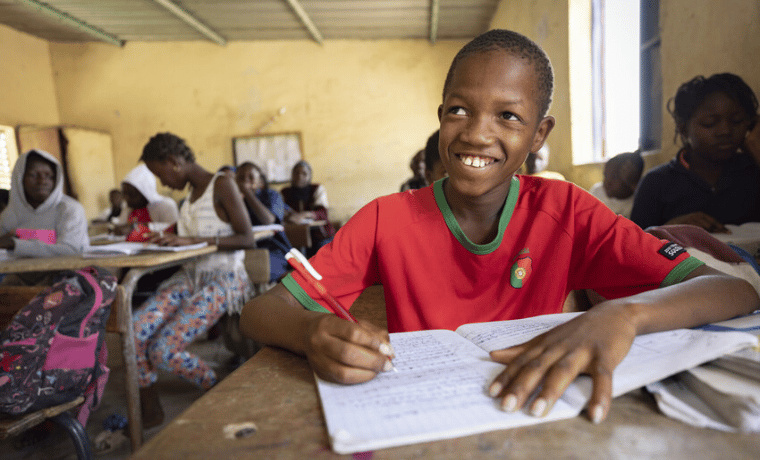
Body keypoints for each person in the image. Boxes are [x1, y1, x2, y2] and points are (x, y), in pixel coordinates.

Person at [238, 29, 759, 425]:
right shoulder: (385, 219)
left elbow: (730, 291)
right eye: (459, 110)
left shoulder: (568, 212)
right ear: (441, 116)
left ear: (539, 134)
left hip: (531, 409)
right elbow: (259, 313)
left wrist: (625, 315)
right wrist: (310, 332)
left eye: (508, 116)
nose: (477, 134)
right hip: (422, 415)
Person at [132, 132, 255, 427]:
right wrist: (170, 238)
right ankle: (151, 406)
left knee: (162, 350)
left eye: (160, 174)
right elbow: (188, 239)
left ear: (173, 162)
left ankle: (216, 388)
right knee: (134, 331)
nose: (162, 184)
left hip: (225, 277)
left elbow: (247, 238)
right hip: (191, 274)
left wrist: (190, 239)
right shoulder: (189, 197)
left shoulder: (222, 184)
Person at [630, 73, 760, 231]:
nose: (725, 131)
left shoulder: (753, 170)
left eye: (737, 121)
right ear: (683, 128)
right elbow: (632, 249)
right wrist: (668, 229)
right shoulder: (656, 183)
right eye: (710, 123)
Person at [0, 149, 87, 273]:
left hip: (67, 276)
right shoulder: (11, 213)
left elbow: (70, 250)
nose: (42, 181)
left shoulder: (69, 209)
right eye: (33, 175)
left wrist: (15, 244)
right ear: (19, 178)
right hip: (22, 276)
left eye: (49, 176)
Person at [234, 161, 292, 282]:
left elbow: (269, 220)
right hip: (245, 250)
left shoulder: (272, 195)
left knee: (258, 268)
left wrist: (246, 192)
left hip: (273, 248)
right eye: (240, 178)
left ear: (260, 182)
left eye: (251, 177)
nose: (245, 181)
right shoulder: (234, 199)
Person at [281, 160, 336, 257]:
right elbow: (281, 211)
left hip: (320, 235)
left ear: (310, 176)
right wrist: (289, 217)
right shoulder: (285, 192)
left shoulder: (317, 189)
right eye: (296, 173)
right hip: (295, 235)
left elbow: (323, 213)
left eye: (304, 174)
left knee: (320, 256)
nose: (299, 176)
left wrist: (303, 215)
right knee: (290, 255)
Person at [115, 163, 179, 235]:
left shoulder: (166, 205)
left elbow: (175, 229)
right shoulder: (128, 207)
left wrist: (145, 226)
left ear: (144, 192)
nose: (126, 198)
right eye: (124, 194)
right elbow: (121, 225)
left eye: (131, 194)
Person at [589, 151, 644, 218]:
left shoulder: (637, 204)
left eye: (613, 178)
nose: (606, 183)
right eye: (605, 176)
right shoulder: (597, 191)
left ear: (629, 181)